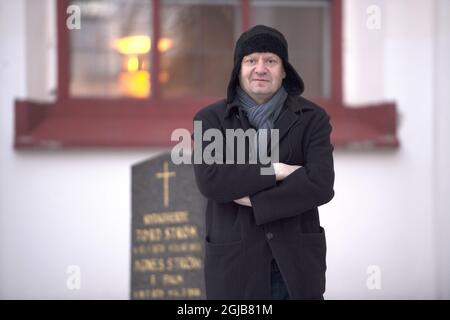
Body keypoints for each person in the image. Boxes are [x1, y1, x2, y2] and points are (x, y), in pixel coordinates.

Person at [192, 25, 335, 300]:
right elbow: (212, 180)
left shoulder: (313, 119)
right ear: (239, 69)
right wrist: (276, 170)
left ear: (284, 71)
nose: (260, 68)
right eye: (251, 60)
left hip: (295, 264)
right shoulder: (210, 120)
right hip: (235, 264)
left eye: (270, 60)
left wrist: (256, 200)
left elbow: (320, 184)